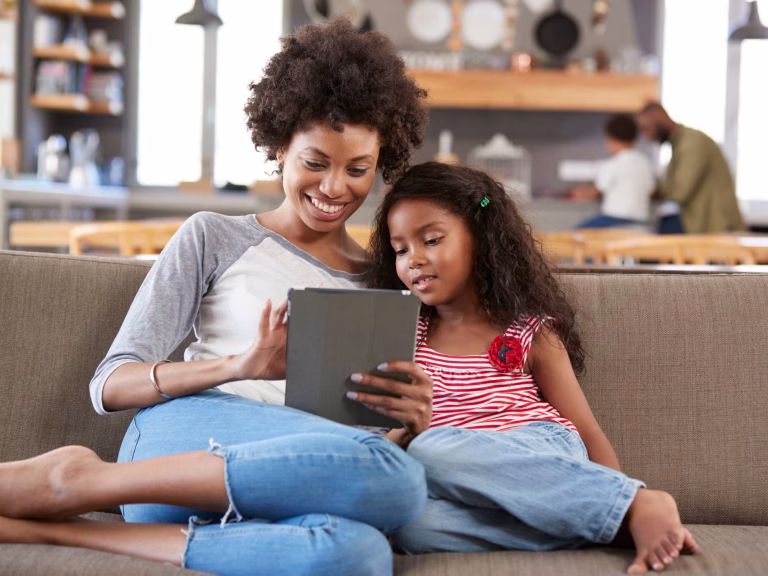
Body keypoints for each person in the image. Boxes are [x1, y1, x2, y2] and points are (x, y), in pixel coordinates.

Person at [0, 18, 431, 576]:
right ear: (280, 146)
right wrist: (238, 365)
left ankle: (59, 514)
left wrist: (408, 422)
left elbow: (358, 447)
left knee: (361, 554)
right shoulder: (214, 236)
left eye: (358, 170)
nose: (334, 189)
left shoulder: (386, 278)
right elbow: (109, 384)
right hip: (184, 442)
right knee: (394, 482)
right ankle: (88, 479)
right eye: (315, 163)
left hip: (299, 476)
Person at [355, 162, 700, 574]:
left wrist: (619, 487)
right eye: (401, 249)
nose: (415, 259)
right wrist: (401, 437)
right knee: (411, 525)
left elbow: (585, 429)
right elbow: (390, 442)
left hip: (540, 447)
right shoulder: (403, 338)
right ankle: (608, 524)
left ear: (480, 240)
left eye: (431, 239)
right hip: (456, 481)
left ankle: (634, 502)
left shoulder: (528, 331)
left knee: (431, 447)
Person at [636, 102, 745, 234]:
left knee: (665, 229)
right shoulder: (679, 145)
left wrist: (656, 191)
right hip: (703, 223)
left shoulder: (691, 143)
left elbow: (680, 192)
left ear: (660, 119)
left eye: (647, 128)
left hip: (718, 225)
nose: (648, 136)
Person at [572, 114, 656, 229]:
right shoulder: (645, 163)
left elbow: (594, 194)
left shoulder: (613, 164)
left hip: (613, 219)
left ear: (611, 139)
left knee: (574, 234)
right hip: (640, 222)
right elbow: (651, 191)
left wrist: (579, 194)